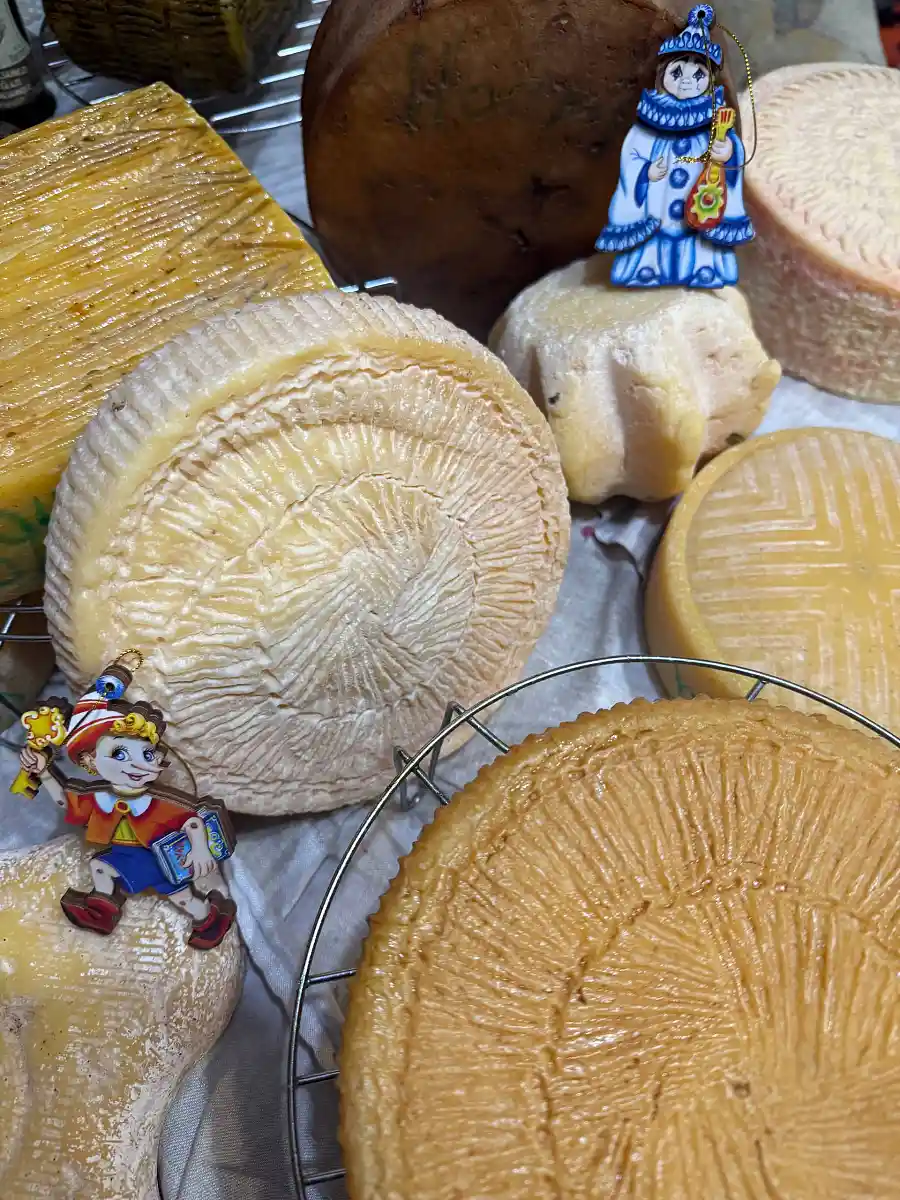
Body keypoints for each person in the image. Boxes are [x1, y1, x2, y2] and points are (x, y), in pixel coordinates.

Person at [19, 674, 236, 950]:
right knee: (100, 866)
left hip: (159, 858)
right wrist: (45, 773)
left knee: (183, 899)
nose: (139, 765)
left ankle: (211, 919)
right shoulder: (100, 797)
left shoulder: (155, 802)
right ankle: (102, 912)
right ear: (90, 761)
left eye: (147, 754)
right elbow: (66, 802)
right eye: (120, 754)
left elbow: (191, 821)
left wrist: (200, 849)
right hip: (125, 853)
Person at [595, 3, 754, 288]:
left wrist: (727, 153)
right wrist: (645, 173)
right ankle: (648, 269)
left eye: (697, 75)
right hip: (657, 210)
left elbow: (733, 157)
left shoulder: (715, 121)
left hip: (698, 212)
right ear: (663, 73)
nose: (686, 83)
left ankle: (701, 269)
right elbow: (632, 157)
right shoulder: (647, 124)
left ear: (709, 81)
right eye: (677, 73)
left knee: (699, 237)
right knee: (654, 240)